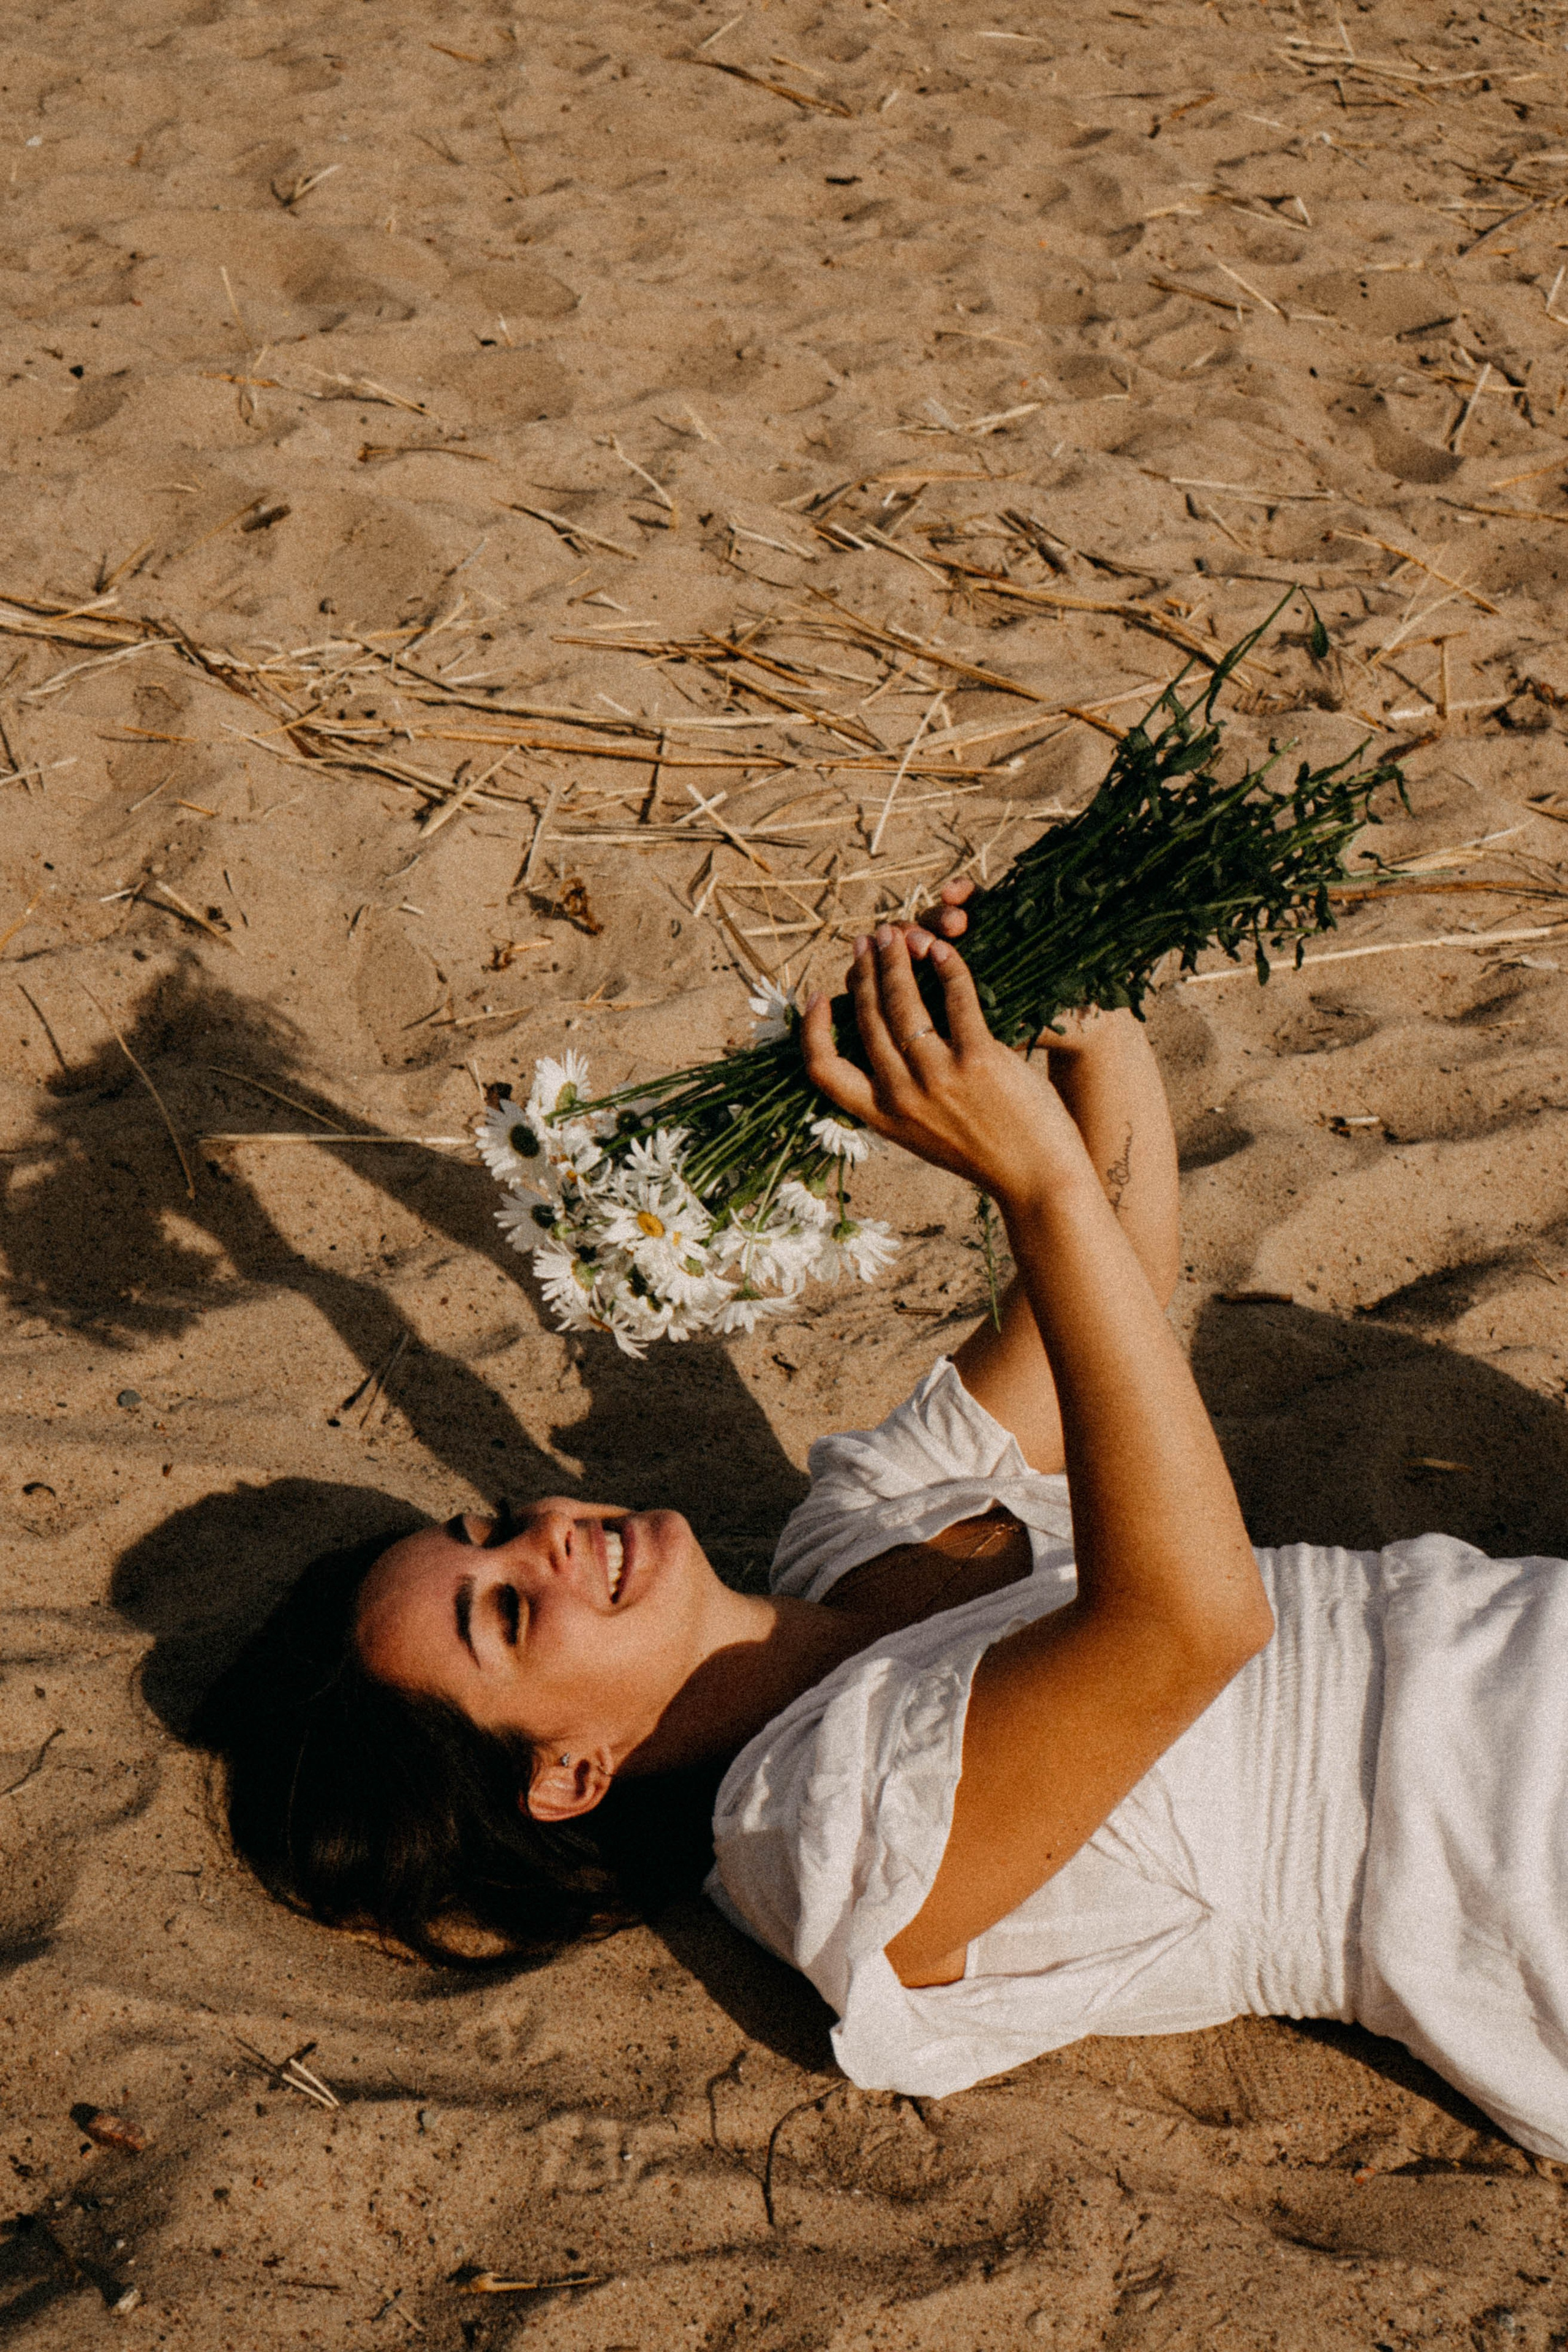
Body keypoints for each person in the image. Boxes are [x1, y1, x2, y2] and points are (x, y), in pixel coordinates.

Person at [194, 908, 1568, 2164]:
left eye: (489, 1529)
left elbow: (1118, 1283)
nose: (546, 1535)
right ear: (570, 1774)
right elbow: (1193, 1625)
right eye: (503, 1613)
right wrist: (1032, 1189)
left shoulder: (852, 1530)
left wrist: (1082, 1016)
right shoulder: (817, 1836)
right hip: (1508, 1847)